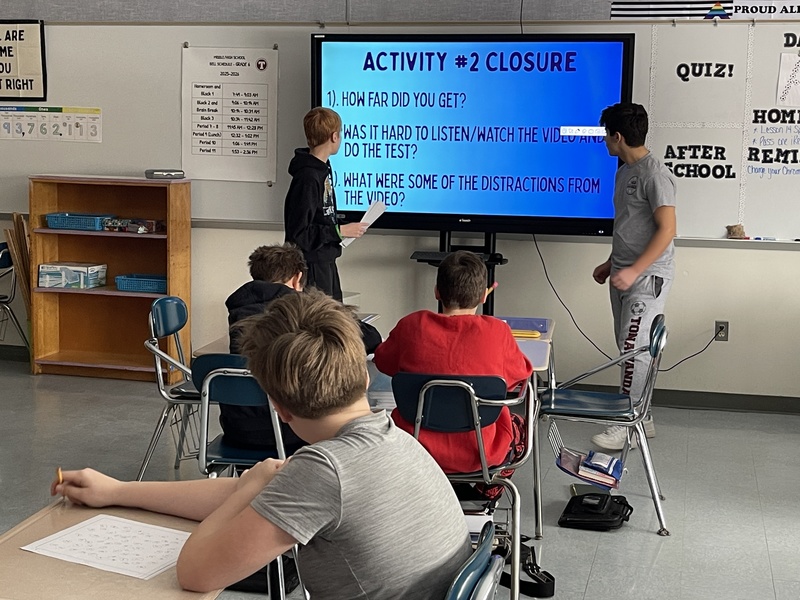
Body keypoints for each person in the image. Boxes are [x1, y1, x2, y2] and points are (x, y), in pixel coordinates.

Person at [52, 291, 471, 598]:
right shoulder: (390, 439)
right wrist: (119, 491)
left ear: (277, 407)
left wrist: (250, 487)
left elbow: (196, 573)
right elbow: (252, 494)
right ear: (363, 378)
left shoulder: (326, 470)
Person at [373, 250, 532, 501]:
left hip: (414, 448)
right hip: (481, 451)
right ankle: (486, 493)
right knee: (521, 425)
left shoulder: (411, 326)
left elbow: (383, 362)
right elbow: (519, 376)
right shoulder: (497, 332)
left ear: (437, 291)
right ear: (483, 295)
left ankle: (425, 493)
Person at [223, 242, 381, 452]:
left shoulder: (239, 311)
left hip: (239, 429)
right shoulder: (299, 312)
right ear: (297, 278)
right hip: (295, 429)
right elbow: (371, 338)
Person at [591, 102, 677, 451]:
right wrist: (612, 263)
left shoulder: (655, 174)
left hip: (646, 278)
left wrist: (634, 271)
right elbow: (630, 226)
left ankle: (624, 424)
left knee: (633, 350)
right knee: (630, 348)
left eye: (606, 135)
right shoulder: (624, 171)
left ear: (618, 136)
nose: (604, 142)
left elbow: (667, 229)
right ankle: (645, 416)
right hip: (625, 272)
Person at [283, 107, 367, 301]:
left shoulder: (322, 170)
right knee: (319, 322)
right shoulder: (307, 177)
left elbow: (321, 216)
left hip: (325, 260)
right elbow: (299, 233)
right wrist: (338, 232)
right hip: (311, 265)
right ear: (334, 136)